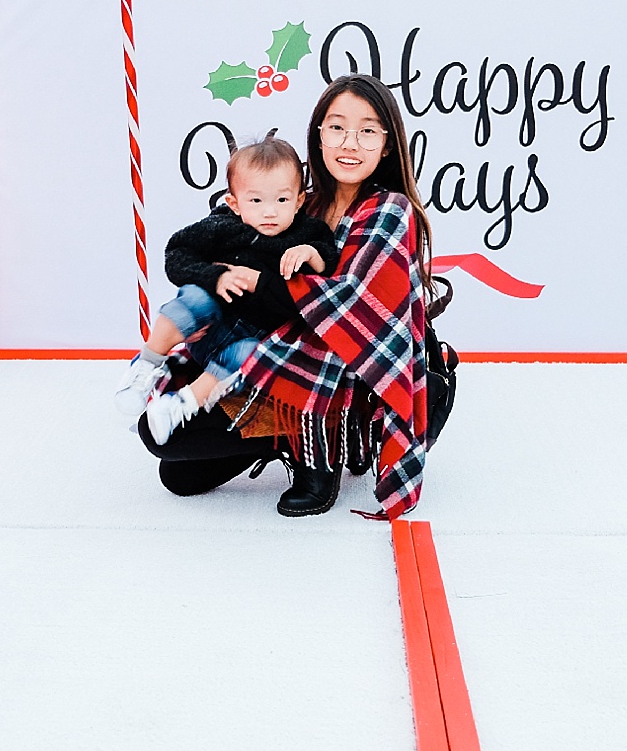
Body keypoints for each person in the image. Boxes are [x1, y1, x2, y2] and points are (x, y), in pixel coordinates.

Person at [136, 73, 434, 519]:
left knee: (182, 435)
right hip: (268, 348)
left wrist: (256, 281)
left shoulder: (389, 208)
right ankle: (279, 434)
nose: (350, 142)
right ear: (318, 135)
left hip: (341, 372)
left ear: (387, 145)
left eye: (368, 130)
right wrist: (224, 271)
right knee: (173, 466)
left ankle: (324, 442)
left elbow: (348, 303)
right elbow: (222, 248)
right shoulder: (294, 202)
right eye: (336, 127)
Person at [114, 137, 338, 443]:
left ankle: (181, 405)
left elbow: (332, 263)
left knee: (252, 354)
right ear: (234, 203)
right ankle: (147, 364)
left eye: (281, 201)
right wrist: (215, 276)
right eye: (256, 201)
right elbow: (176, 255)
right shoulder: (221, 226)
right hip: (207, 327)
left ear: (299, 200)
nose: (269, 212)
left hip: (244, 343)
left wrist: (313, 255)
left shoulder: (308, 233)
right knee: (195, 296)